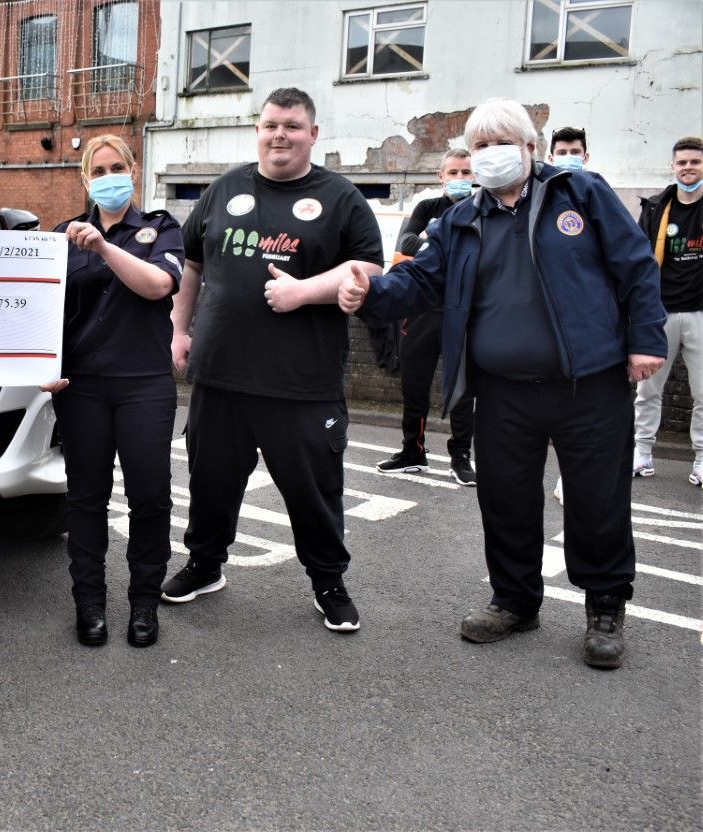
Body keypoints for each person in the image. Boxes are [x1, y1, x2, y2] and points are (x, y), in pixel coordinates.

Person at [339, 98, 667, 670]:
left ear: (530, 148)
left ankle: (606, 607)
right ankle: (516, 601)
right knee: (506, 500)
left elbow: (636, 263)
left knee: (598, 500)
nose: (489, 155)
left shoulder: (579, 194)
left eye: (500, 142)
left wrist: (646, 337)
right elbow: (418, 279)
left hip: (587, 381)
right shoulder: (460, 221)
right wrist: (370, 293)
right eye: (480, 145)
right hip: (502, 389)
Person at [160, 87, 384, 633]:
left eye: (291, 126)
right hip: (220, 375)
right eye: (269, 125)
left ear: (312, 134)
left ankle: (328, 582)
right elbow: (191, 264)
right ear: (257, 131)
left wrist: (303, 292)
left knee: (314, 493)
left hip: (301, 383)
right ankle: (205, 565)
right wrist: (178, 329)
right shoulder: (224, 189)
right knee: (210, 481)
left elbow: (370, 271)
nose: (279, 135)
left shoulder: (341, 198)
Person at [40, 135, 184, 648]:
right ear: (85, 180)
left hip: (143, 383)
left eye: (115, 166)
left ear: (133, 168)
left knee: (149, 496)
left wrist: (102, 246)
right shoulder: (61, 238)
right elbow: (38, 312)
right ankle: (90, 603)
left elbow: (157, 286)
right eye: (96, 170)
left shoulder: (161, 229)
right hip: (82, 387)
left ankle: (144, 602)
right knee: (85, 499)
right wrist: (36, 361)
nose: (107, 177)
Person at [376, 149, 477, 484]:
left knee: (462, 390)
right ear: (440, 175)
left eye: (465, 172)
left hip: (461, 312)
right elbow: (405, 241)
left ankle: (460, 456)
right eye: (453, 172)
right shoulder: (427, 208)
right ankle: (412, 451)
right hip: (420, 311)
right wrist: (437, 238)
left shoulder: (482, 209)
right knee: (414, 384)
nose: (460, 179)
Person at [633, 136, 703, 487]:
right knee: (648, 390)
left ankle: (702, 459)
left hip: (700, 314)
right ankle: (642, 454)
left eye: (695, 162)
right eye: (682, 162)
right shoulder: (658, 207)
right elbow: (641, 261)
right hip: (660, 313)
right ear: (673, 167)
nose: (688, 167)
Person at [546, 127, 591, 504]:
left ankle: (570, 477)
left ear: (585, 157)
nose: (568, 157)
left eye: (574, 151)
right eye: (561, 151)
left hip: (586, 337)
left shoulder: (595, 195)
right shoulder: (543, 202)